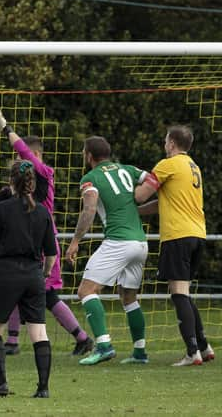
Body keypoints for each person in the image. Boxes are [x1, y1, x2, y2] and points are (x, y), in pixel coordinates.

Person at [0, 108, 92, 357]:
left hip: (42, 245)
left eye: (23, 156)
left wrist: (6, 127)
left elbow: (23, 152)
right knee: (20, 289)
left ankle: (82, 337)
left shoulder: (44, 175)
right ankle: (13, 341)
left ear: (35, 156)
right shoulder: (23, 185)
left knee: (47, 296)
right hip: (29, 246)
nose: (19, 159)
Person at [134, 125, 215, 366]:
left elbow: (141, 194)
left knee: (178, 292)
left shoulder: (167, 164)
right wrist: (135, 213)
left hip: (177, 235)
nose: (164, 144)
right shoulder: (193, 167)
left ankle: (192, 352)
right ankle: (203, 346)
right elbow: (161, 202)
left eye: (165, 140)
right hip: (197, 234)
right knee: (184, 292)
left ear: (171, 143)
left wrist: (125, 191)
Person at [65, 136, 149, 366]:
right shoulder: (128, 169)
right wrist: (143, 200)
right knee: (129, 296)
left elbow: (90, 208)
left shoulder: (90, 178)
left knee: (86, 290)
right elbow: (153, 179)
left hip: (118, 242)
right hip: (140, 243)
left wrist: (75, 241)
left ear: (89, 155)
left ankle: (103, 346)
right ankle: (140, 352)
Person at [0, 160, 55, 398]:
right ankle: (43, 388)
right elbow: (51, 252)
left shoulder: (2, 209)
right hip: (33, 274)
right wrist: (43, 274)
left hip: (6, 273)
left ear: (11, 182)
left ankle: (1, 383)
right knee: (39, 332)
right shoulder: (42, 211)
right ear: (32, 183)